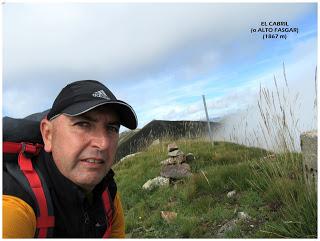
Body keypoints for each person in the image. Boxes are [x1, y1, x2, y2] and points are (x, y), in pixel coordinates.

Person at [3, 80, 138, 238]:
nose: (103, 143)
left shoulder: (106, 192)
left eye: (112, 128)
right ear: (48, 134)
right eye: (83, 124)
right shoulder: (13, 208)